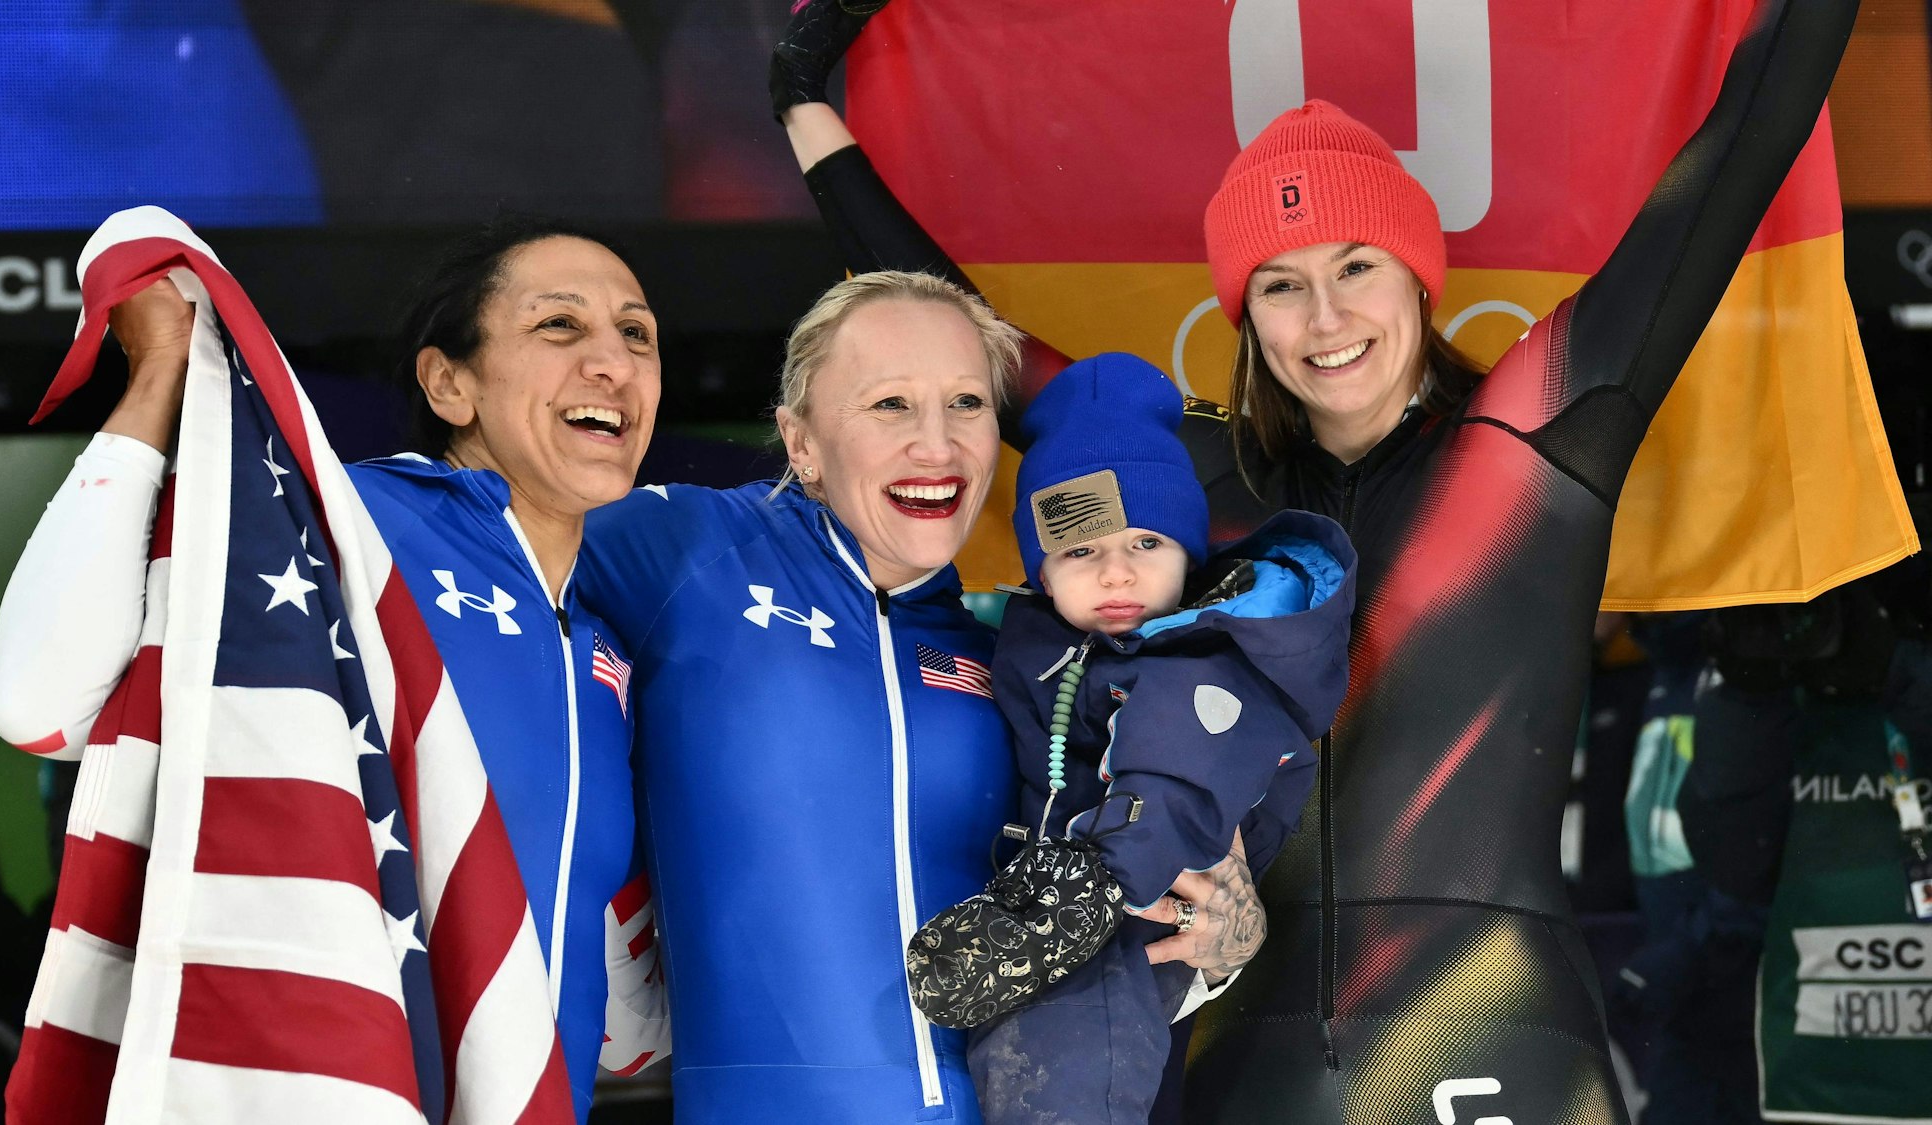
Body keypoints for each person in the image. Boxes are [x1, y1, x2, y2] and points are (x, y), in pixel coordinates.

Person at [768, 0, 1861, 1118]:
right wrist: (806, 111)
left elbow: (1738, 154)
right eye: (1279, 284)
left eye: (1356, 265)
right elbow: (971, 343)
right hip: (1249, 1062)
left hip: (1498, 1041)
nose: (1323, 315)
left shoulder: (1538, 433)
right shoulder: (1184, 486)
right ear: (1246, 316)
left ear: (1418, 277)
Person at [0, 216, 660, 1122]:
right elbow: (40, 704)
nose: (613, 362)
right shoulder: (339, 536)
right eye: (560, 326)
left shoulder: (605, 650)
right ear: (449, 383)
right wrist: (158, 376)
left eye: (637, 333)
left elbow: (627, 1030)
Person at [573, 272, 1268, 1124]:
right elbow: (474, 560)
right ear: (801, 440)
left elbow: (1104, 935)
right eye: (890, 405)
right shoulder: (689, 551)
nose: (937, 446)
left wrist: (1222, 950)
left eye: (967, 403)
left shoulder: (1027, 658)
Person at [907, 350, 1353, 1123]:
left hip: (1123, 915)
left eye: (1147, 543)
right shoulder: (1048, 643)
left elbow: (1173, 789)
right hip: (1070, 914)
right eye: (1081, 549)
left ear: (1189, 554)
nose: (1117, 573)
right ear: (1042, 573)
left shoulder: (1200, 662)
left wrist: (1074, 899)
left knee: (1064, 1068)